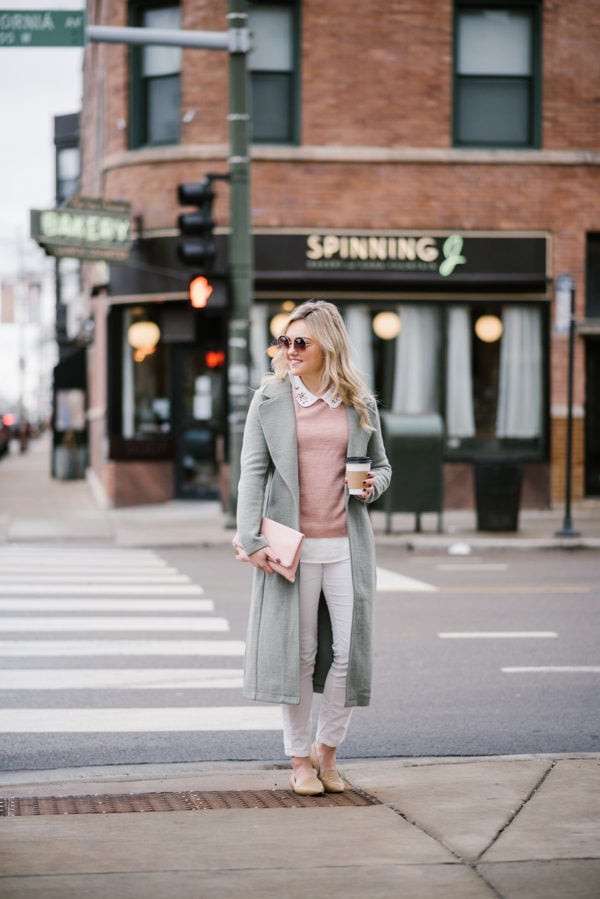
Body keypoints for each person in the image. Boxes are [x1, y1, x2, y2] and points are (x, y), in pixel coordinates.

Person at [236, 300, 391, 796]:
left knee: (347, 653)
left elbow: (383, 467)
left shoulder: (357, 402)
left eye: (301, 341)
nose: (291, 350)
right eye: (285, 341)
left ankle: (328, 751)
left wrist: (372, 487)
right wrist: (250, 537)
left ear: (328, 344)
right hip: (292, 548)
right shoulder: (271, 397)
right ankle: (299, 760)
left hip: (347, 544)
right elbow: (252, 472)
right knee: (299, 656)